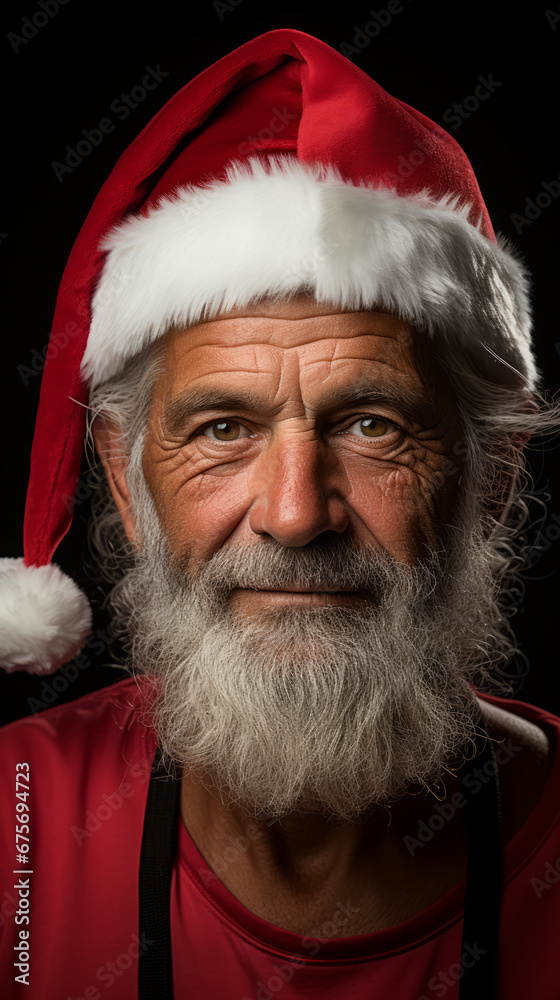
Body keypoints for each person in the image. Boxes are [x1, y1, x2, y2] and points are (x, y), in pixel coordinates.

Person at [0, 26, 559, 1000]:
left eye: (372, 423)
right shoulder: (12, 821)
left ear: (492, 478)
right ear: (129, 487)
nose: (295, 515)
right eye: (221, 428)